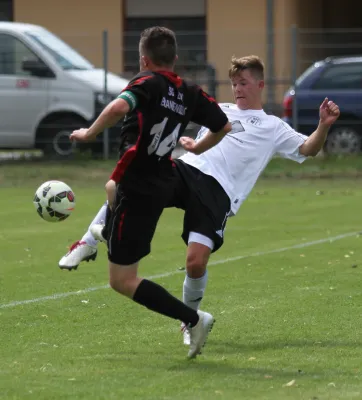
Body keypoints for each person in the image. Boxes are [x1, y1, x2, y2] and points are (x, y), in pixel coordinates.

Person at [60, 54, 340, 345]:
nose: (237, 89)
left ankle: (189, 322)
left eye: (243, 83)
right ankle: (87, 242)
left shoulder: (273, 126)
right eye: (233, 83)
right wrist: (188, 144)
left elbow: (308, 149)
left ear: (260, 84)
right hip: (187, 169)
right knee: (134, 181)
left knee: (195, 262)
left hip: (218, 193)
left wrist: (324, 125)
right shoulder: (220, 109)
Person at [66, 26, 232, 359]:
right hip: (162, 179)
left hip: (138, 183)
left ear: (144, 59)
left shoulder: (145, 83)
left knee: (122, 280)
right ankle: (102, 234)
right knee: (110, 188)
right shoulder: (190, 91)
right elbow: (223, 125)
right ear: (175, 59)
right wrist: (198, 148)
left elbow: (117, 108)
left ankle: (194, 319)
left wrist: (88, 133)